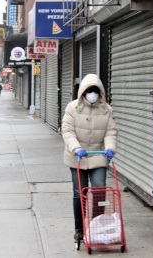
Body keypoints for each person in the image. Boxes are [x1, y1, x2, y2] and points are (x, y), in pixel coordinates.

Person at [61, 74, 117, 241]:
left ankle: (96, 225)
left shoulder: (106, 109)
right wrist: (76, 148)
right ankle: (79, 228)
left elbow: (110, 132)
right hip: (77, 156)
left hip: (97, 155)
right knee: (79, 193)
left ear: (100, 92)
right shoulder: (72, 108)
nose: (92, 94)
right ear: (83, 92)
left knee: (99, 190)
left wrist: (110, 148)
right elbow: (67, 130)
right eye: (89, 91)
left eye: (95, 91)